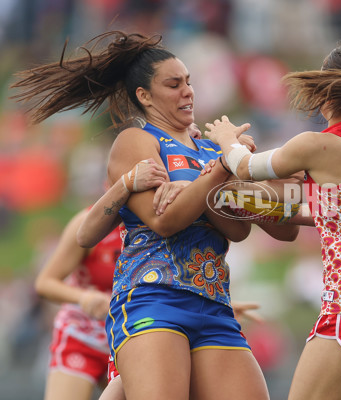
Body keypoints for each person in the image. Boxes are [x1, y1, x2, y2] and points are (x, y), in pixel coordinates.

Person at [12, 31, 271, 400]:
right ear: (144, 96)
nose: (188, 91)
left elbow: (239, 229)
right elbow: (164, 220)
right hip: (153, 300)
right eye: (174, 84)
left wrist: (219, 174)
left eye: (189, 82)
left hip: (214, 304)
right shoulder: (136, 140)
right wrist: (220, 172)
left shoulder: (212, 149)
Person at [204, 44, 341, 400]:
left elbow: (244, 166)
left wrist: (226, 138)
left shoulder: (318, 145)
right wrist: (262, 208)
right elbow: (339, 214)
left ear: (327, 90)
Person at [34, 160, 168, 400]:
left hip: (131, 335)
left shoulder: (162, 225)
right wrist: (84, 297)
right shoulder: (88, 224)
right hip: (83, 333)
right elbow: (45, 283)